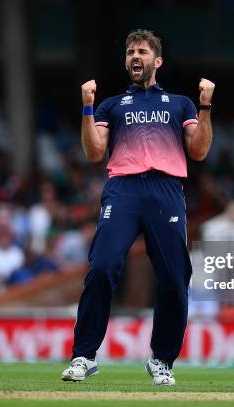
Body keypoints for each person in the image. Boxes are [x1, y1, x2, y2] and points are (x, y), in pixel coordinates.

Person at [61, 29, 214, 386]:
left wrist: (205, 104)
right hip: (124, 189)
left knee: (175, 280)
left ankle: (162, 360)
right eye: (130, 51)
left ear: (156, 61)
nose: (135, 55)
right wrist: (86, 107)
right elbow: (95, 152)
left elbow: (200, 150)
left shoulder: (180, 104)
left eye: (142, 51)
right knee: (101, 267)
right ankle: (84, 356)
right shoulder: (111, 105)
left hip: (166, 189)